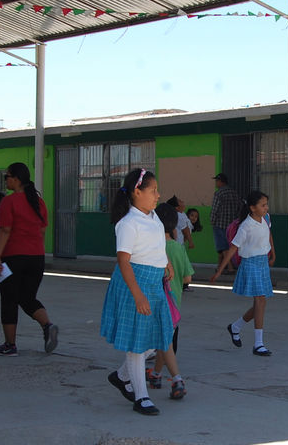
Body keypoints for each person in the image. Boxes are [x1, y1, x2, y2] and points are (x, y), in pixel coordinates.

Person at [100, 168, 175, 416]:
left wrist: (166, 262)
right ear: (137, 192)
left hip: (154, 283)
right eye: (153, 190)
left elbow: (157, 244)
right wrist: (137, 294)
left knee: (157, 337)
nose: (158, 195)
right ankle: (141, 397)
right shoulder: (128, 223)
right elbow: (123, 261)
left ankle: (122, 376)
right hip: (135, 283)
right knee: (137, 342)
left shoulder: (153, 217)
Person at [0, 163, 58, 356]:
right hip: (36, 258)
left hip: (12, 257)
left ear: (16, 179)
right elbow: (42, 230)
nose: (6, 180)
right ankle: (47, 325)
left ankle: (10, 345)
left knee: (9, 300)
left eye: (7, 176)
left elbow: (5, 230)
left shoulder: (9, 202)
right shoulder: (38, 202)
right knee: (27, 297)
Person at [210, 190, 276, 357]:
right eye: (263, 205)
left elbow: (269, 235)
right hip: (251, 263)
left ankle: (235, 327)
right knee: (260, 300)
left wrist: (273, 254)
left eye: (267, 204)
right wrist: (220, 271)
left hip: (263, 262)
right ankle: (258, 344)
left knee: (261, 303)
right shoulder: (246, 226)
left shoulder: (266, 219)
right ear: (252, 208)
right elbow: (233, 248)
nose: (266, 208)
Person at [144, 203, 193, 400]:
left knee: (161, 343)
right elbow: (187, 278)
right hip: (174, 304)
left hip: (154, 303)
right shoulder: (178, 248)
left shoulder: (152, 247)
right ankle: (156, 375)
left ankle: (176, 379)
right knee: (166, 341)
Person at [210, 173, 241, 273]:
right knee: (228, 246)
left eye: (217, 181)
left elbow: (215, 209)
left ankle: (230, 267)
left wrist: (212, 221)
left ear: (220, 181)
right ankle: (220, 267)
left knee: (223, 247)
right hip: (232, 225)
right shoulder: (234, 193)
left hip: (220, 224)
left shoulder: (219, 193)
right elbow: (240, 207)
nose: (216, 183)